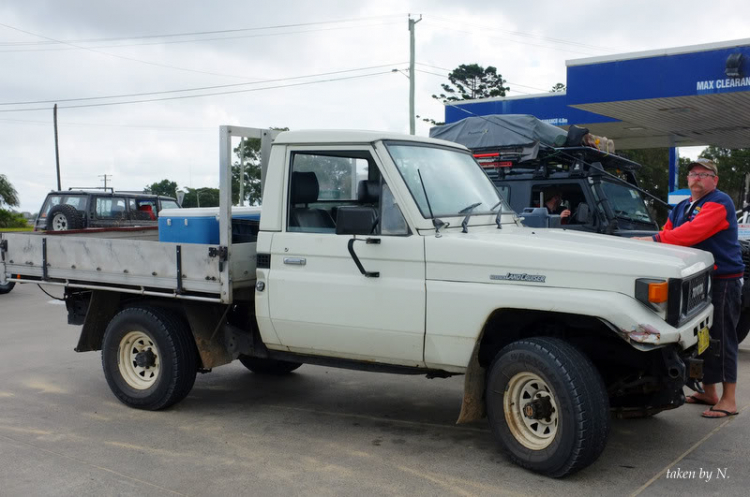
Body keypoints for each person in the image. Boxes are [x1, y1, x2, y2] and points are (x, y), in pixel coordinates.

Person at [636, 158, 744, 418]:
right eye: (693, 174)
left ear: (714, 180)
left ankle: (729, 399)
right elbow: (671, 234)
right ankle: (709, 391)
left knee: (724, 337)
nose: (697, 178)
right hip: (696, 281)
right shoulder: (683, 206)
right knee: (703, 338)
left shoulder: (719, 202)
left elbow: (690, 234)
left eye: (704, 174)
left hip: (723, 281)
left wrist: (651, 240)